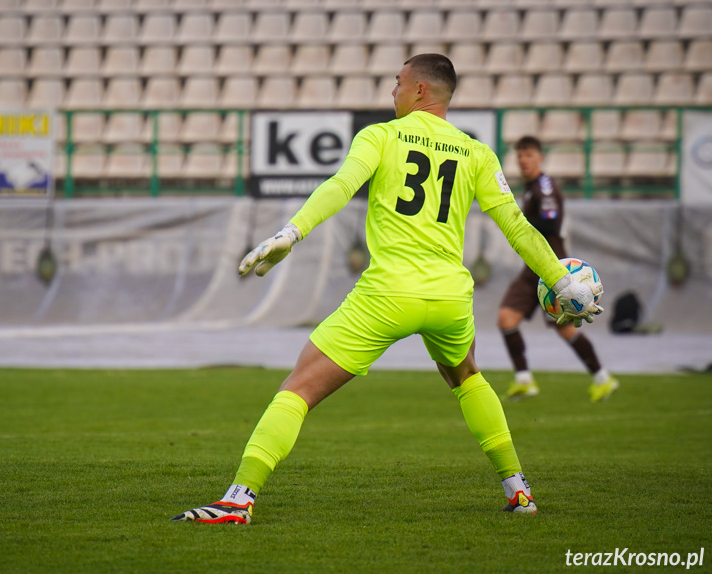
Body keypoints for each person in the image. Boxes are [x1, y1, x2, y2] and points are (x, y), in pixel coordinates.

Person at [171, 54, 600, 525]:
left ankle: (238, 499)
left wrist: (291, 233)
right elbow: (516, 226)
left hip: (389, 292)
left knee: (299, 388)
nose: (391, 91)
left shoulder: (381, 136)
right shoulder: (477, 152)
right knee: (467, 376)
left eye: (397, 82)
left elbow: (340, 185)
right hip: (450, 299)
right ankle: (520, 492)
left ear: (419, 90)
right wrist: (560, 281)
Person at [497, 136, 619, 403]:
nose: (523, 161)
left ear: (540, 158)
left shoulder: (544, 187)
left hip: (552, 267)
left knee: (565, 328)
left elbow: (550, 223)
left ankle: (602, 378)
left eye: (528, 155)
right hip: (534, 267)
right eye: (519, 156)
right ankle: (524, 381)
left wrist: (520, 225)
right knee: (507, 318)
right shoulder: (532, 187)